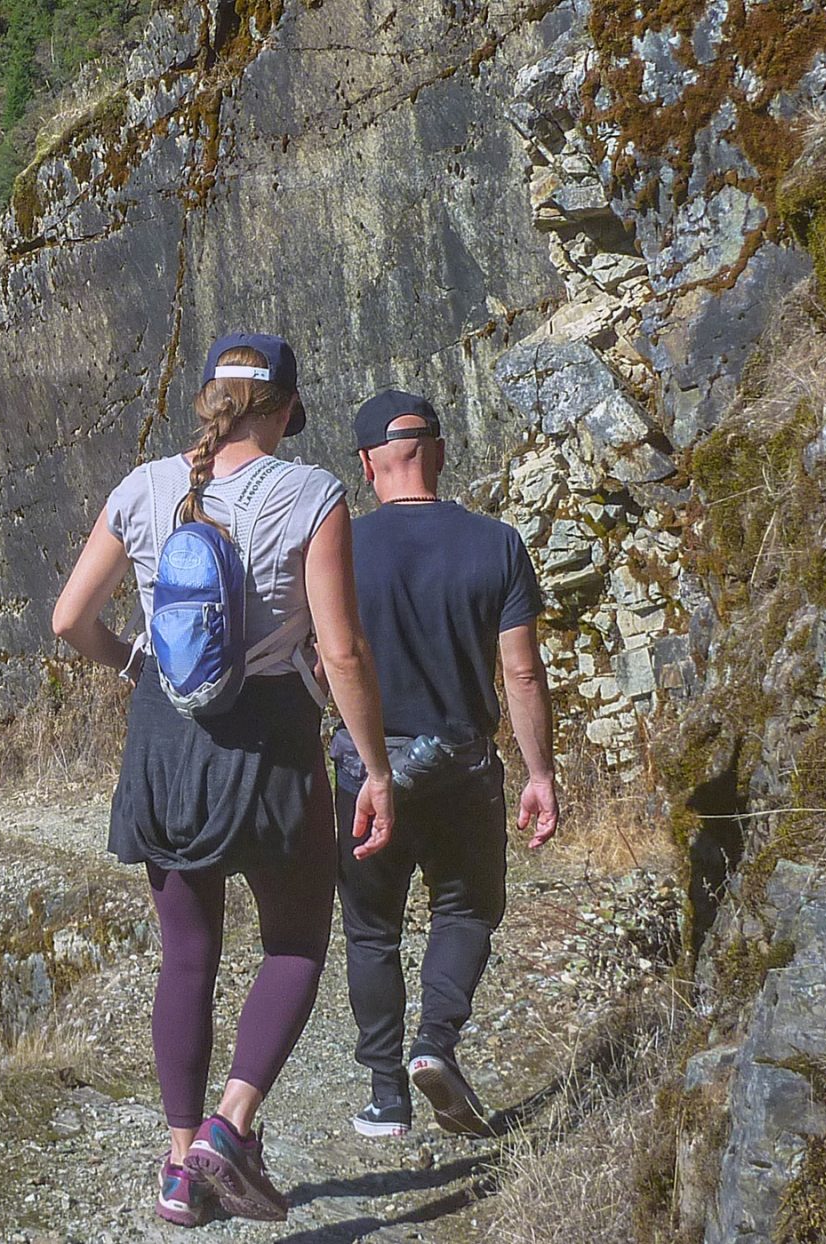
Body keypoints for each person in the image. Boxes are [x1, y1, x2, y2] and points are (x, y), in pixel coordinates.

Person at [52, 334, 396, 1226]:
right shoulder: (312, 493)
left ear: (210, 400)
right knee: (294, 945)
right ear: (281, 410)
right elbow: (343, 649)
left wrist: (136, 666)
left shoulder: (142, 488)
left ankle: (177, 1169)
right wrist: (378, 769)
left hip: (165, 740)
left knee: (187, 956)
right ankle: (228, 1128)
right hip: (273, 736)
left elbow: (67, 620)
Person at [329, 389, 559, 1142]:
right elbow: (521, 675)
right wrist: (540, 774)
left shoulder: (338, 549)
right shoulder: (497, 543)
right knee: (465, 909)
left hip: (367, 774)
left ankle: (386, 1097)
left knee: (371, 931)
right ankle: (437, 1042)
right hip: (463, 769)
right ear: (440, 450)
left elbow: (324, 654)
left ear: (367, 465)